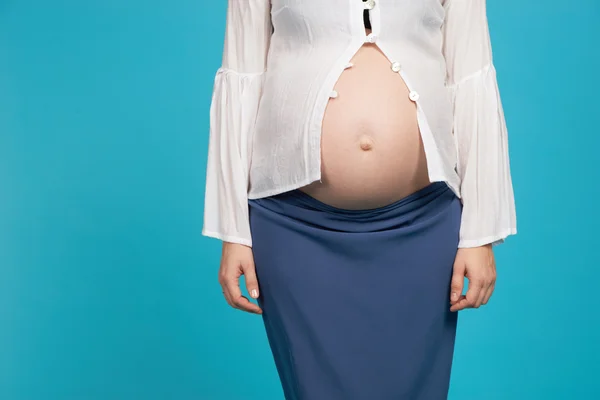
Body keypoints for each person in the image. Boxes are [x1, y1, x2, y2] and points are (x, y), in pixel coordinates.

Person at [202, 0, 517, 398]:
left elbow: (472, 78)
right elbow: (241, 78)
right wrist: (233, 231)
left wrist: (479, 234)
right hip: (296, 228)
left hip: (422, 226)